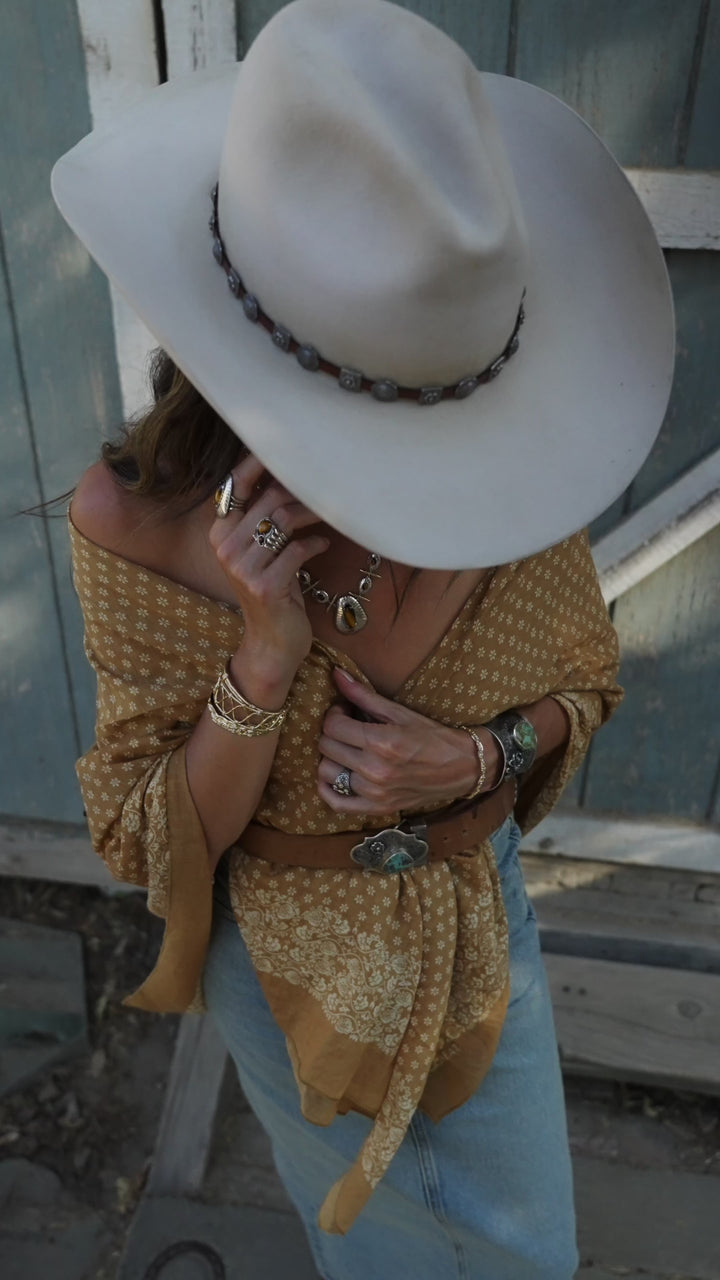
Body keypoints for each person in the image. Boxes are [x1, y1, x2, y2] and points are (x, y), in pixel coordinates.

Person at [52, 1, 674, 1276]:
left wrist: (479, 760)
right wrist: (263, 658)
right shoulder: (134, 521)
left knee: (525, 1256)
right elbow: (149, 835)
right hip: (293, 976)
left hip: (486, 926)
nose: (412, 485)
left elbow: (581, 677)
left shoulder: (513, 453)